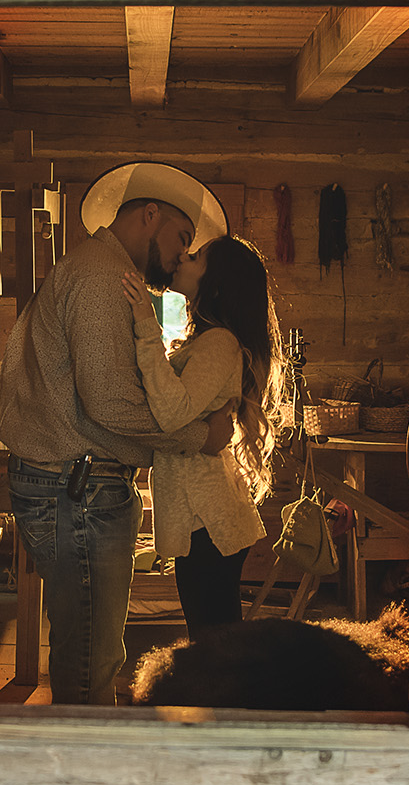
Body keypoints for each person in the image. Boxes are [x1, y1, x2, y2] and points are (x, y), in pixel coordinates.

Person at [0, 161, 234, 705]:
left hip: (75, 485)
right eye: (181, 239)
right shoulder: (102, 275)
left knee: (93, 657)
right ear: (149, 215)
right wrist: (200, 436)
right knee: (90, 666)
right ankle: (84, 780)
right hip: (76, 489)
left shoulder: (101, 271)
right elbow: (109, 402)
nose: (179, 257)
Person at [120, 235, 289, 638]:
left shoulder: (218, 343)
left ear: (215, 283)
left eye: (195, 257)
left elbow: (173, 412)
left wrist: (147, 325)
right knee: (214, 640)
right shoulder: (212, 340)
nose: (182, 257)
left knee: (215, 644)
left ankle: (226, 703)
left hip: (207, 521)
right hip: (205, 518)